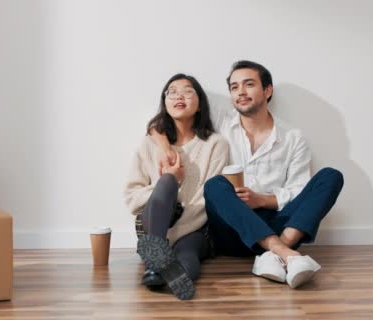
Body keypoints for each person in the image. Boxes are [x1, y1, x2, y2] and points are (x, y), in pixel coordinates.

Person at [151, 61, 344, 289]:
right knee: (215, 185)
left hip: (279, 225)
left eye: (249, 84)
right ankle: (285, 254)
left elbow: (298, 190)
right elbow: (165, 118)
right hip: (232, 229)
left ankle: (274, 253)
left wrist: (262, 200)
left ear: (267, 90)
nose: (240, 92)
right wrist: (164, 148)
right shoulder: (221, 124)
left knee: (331, 176)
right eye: (234, 87)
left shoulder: (293, 137)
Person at [124, 73, 229, 300]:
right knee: (167, 180)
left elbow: (207, 200)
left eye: (187, 91)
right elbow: (132, 199)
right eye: (172, 91)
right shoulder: (149, 144)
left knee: (187, 255)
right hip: (155, 227)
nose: (179, 95)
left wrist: (171, 235)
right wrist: (171, 182)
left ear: (200, 103)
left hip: (195, 227)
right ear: (165, 102)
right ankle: (156, 256)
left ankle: (158, 265)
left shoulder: (215, 145)